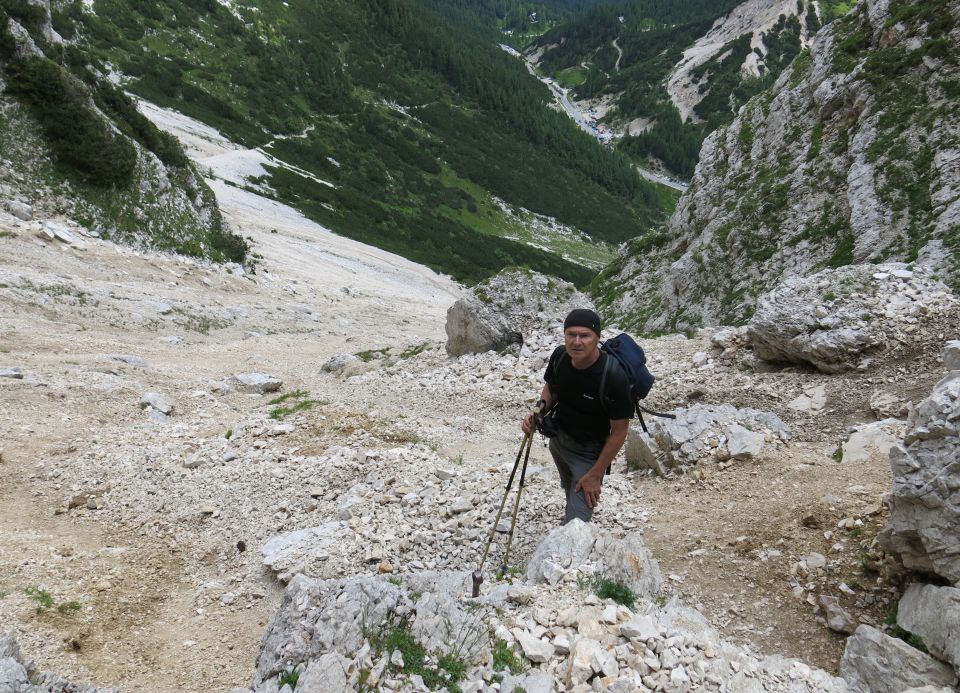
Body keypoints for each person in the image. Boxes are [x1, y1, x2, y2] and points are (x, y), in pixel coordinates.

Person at [522, 308, 633, 524]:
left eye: (585, 335)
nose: (577, 341)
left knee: (578, 522)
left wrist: (595, 474)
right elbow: (552, 388)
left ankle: (571, 532)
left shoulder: (613, 376)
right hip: (558, 441)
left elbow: (619, 432)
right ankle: (571, 503)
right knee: (569, 484)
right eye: (571, 334)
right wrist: (538, 412)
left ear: (597, 338)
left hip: (589, 453)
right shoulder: (561, 356)